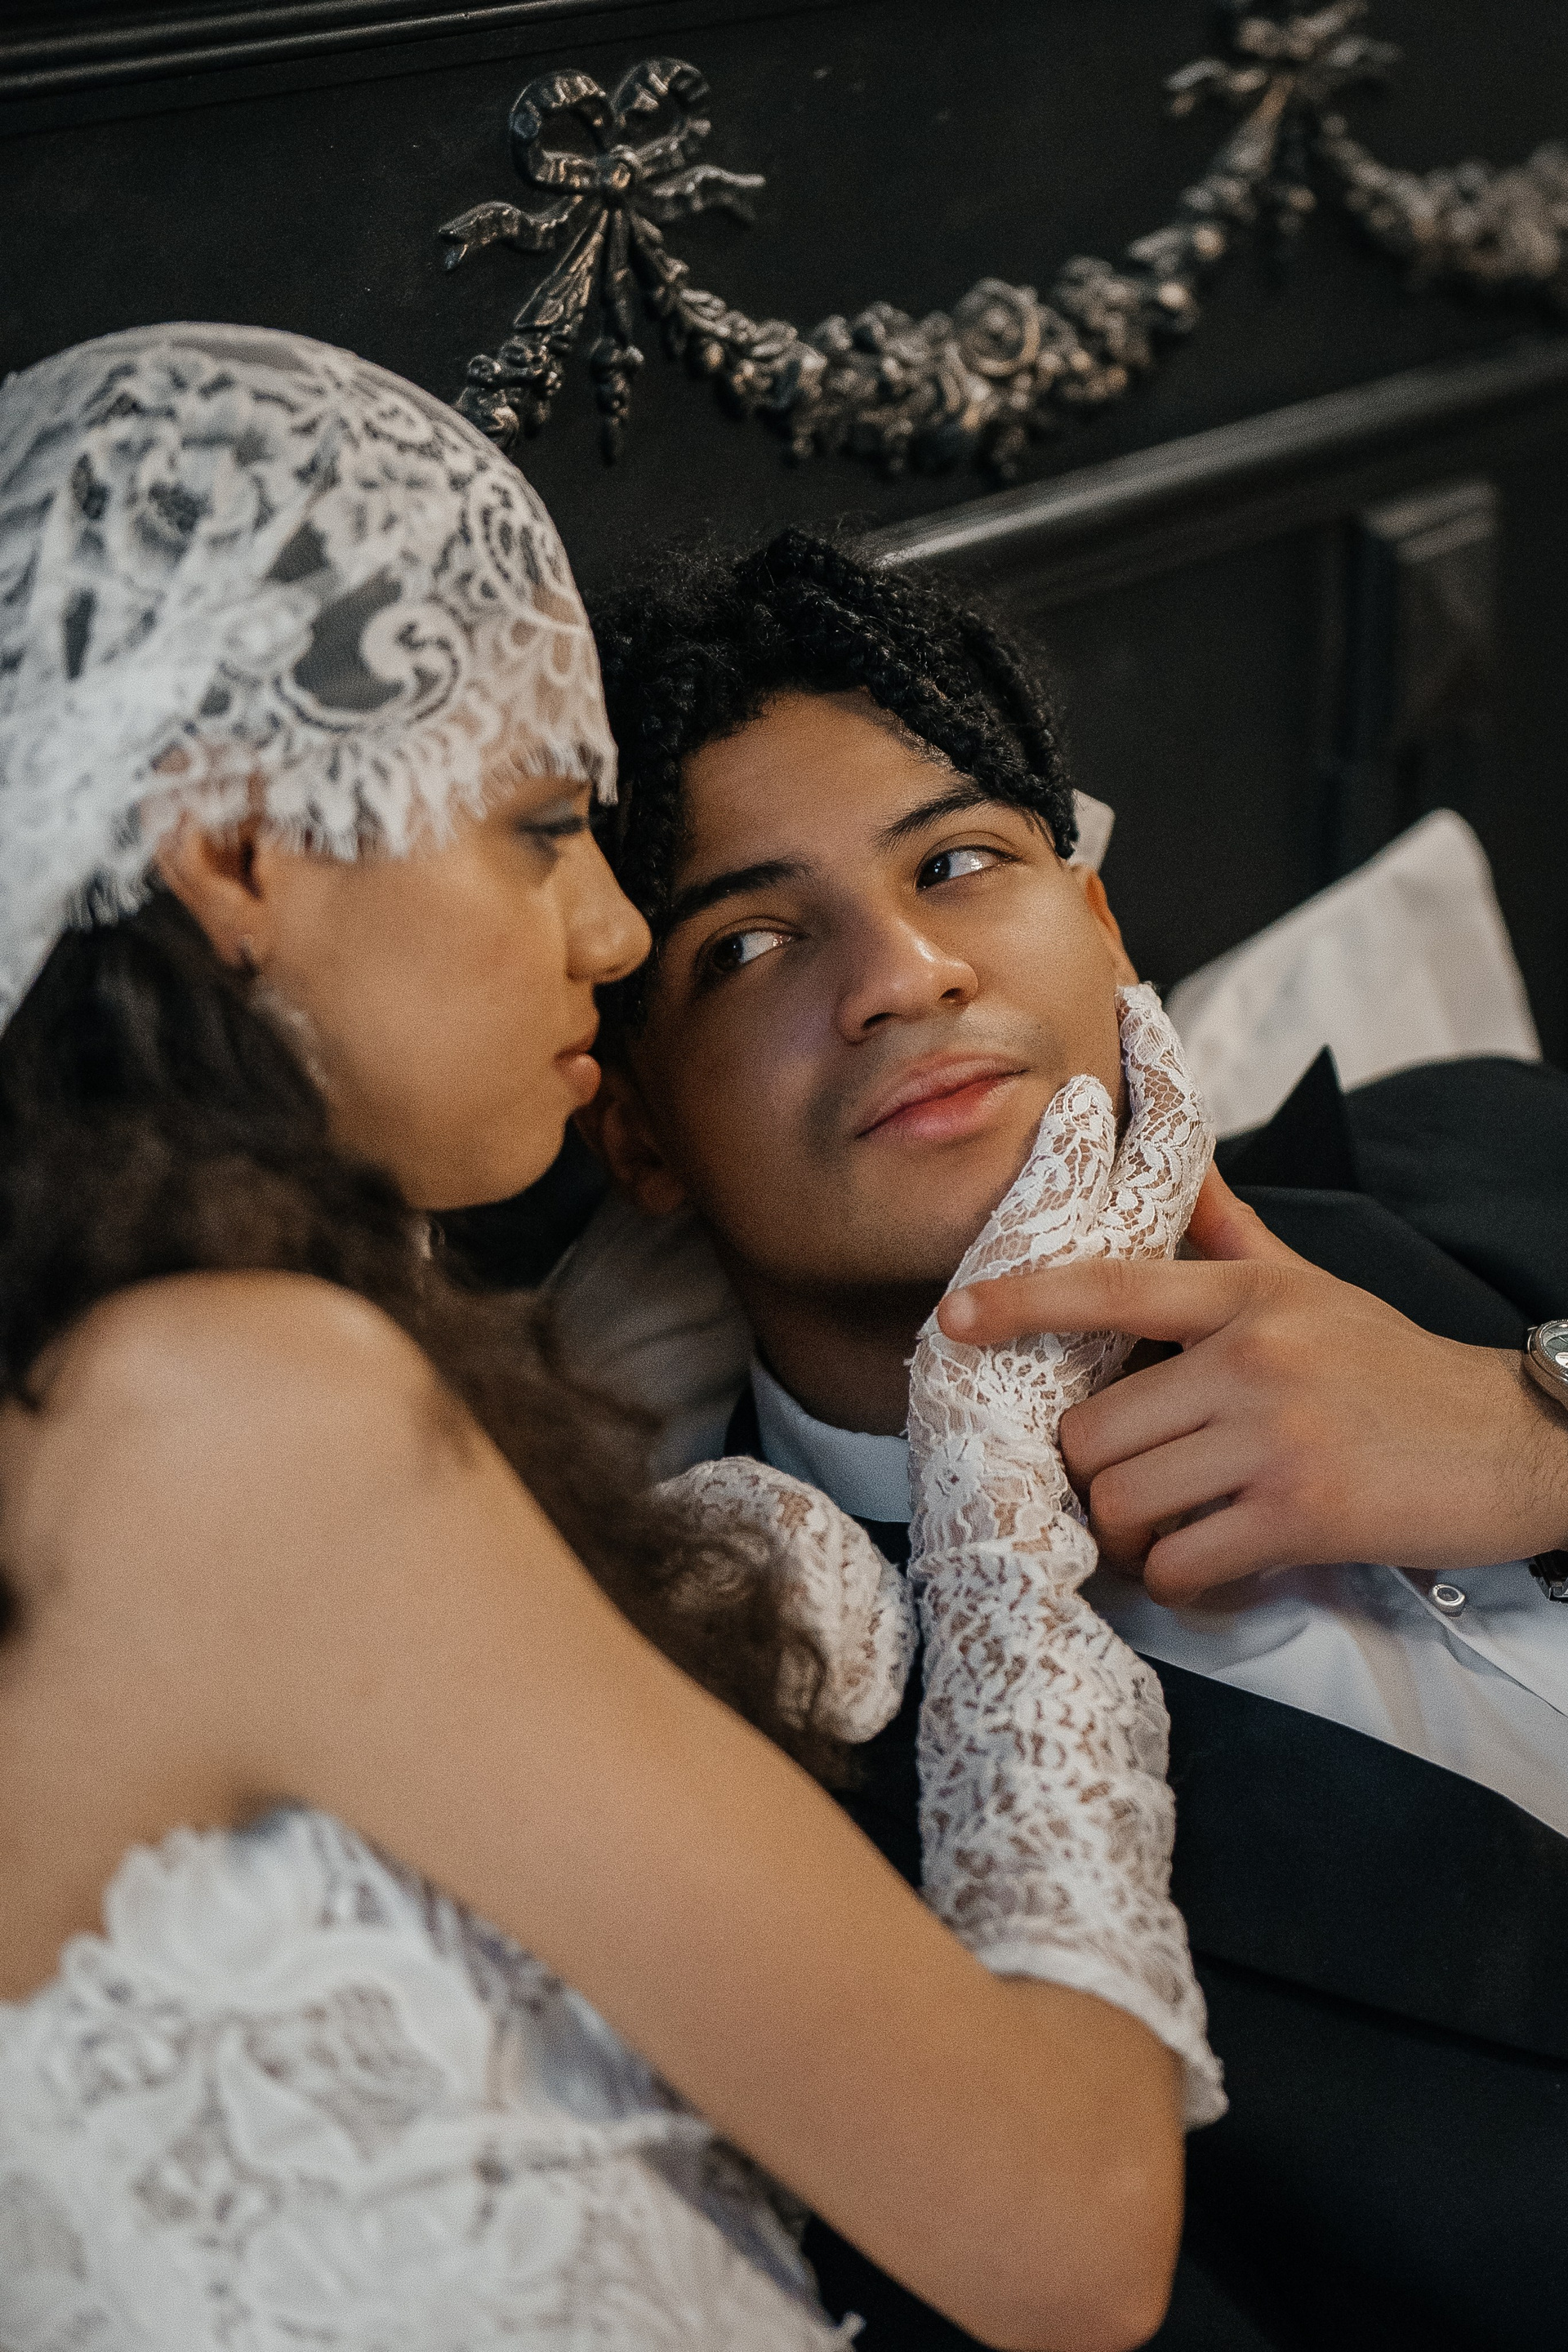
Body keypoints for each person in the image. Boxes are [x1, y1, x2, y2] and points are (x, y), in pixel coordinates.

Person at [0, 329, 1222, 2352]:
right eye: (539, 825)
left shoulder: (156, 1372)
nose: (611, 928)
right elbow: (1071, 2231)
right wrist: (994, 1473)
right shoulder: (226, 1405)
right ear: (233, 854)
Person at [584, 528, 1568, 2352]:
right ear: (639, 1133)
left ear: (1103, 927)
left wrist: (1537, 1435)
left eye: (957, 862)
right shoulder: (763, 1790)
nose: (902, 973)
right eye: (752, 943)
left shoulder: (1484, 1142)